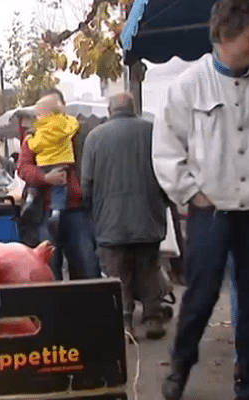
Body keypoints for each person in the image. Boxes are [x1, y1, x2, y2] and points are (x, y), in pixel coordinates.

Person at [152, 1, 249, 398]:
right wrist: (192, 193)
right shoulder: (187, 86)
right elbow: (167, 148)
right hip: (212, 211)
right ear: (226, 36)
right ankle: (179, 368)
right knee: (201, 296)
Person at [81, 92, 168, 340]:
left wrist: (93, 210)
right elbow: (165, 172)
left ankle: (125, 322)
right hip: (148, 215)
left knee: (118, 273)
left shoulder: (95, 137)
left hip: (110, 219)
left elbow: (87, 182)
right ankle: (153, 318)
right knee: (149, 268)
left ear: (109, 111)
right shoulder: (152, 132)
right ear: (134, 108)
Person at [17, 90, 100, 281]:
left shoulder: (79, 133)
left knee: (86, 264)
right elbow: (23, 168)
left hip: (78, 209)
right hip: (45, 210)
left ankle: (86, 306)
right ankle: (54, 309)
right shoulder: (33, 137)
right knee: (48, 268)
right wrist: (46, 178)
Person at [26, 93, 79, 241]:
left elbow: (32, 149)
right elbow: (24, 167)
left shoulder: (38, 131)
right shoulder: (70, 127)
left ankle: (30, 198)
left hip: (44, 166)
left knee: (50, 256)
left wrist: (43, 178)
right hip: (65, 167)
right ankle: (57, 211)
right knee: (60, 187)